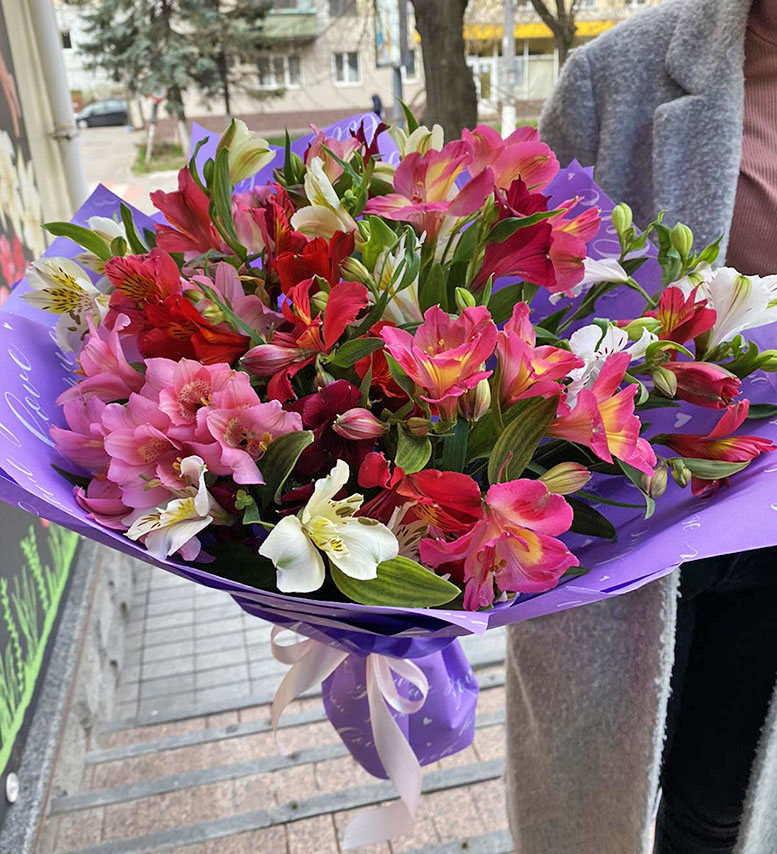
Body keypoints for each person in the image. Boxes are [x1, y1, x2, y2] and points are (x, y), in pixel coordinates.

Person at [504, 1, 777, 853]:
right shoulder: (614, 77)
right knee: (600, 813)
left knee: (721, 812)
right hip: (635, 526)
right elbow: (523, 310)